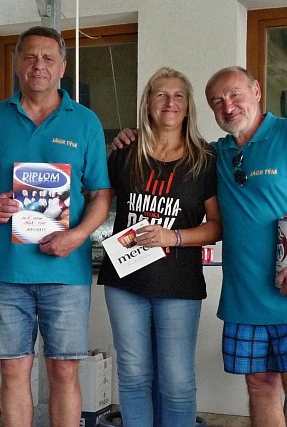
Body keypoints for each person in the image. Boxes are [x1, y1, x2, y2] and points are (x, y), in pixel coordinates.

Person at [115, 66, 287, 427]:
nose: (228, 106)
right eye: (217, 101)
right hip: (243, 297)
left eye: (235, 94)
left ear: (256, 91)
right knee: (259, 386)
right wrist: (129, 134)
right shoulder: (215, 154)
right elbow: (168, 147)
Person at [0, 26, 111, 427]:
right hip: (6, 268)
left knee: (64, 370)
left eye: (48, 58)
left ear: (62, 67)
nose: (39, 65)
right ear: (17, 63)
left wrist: (77, 236)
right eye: (30, 57)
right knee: (13, 370)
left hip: (66, 270)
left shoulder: (85, 122)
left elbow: (101, 194)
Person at [98, 67, 221, 427]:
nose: (170, 102)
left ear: (188, 106)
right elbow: (96, 201)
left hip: (179, 283)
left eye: (178, 95)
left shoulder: (204, 159)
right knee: (133, 375)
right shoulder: (126, 151)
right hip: (125, 282)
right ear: (148, 103)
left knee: (176, 380)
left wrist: (174, 237)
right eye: (161, 95)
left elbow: (217, 227)